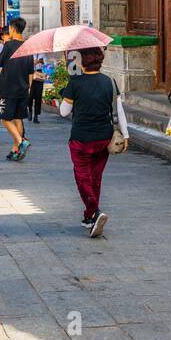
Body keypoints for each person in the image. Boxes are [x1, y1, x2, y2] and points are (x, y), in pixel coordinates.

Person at [58, 47, 128, 238]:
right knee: (95, 177)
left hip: (81, 139)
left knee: (82, 178)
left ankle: (95, 211)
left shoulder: (75, 83)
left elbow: (64, 112)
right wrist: (126, 135)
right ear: (100, 60)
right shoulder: (110, 83)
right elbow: (119, 110)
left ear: (81, 62)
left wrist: (64, 93)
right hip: (103, 138)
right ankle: (89, 217)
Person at [0, 18, 34, 161]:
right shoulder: (28, 47)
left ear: (12, 28)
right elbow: (31, 71)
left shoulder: (9, 45)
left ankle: (21, 141)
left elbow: (0, 64)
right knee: (18, 119)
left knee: (5, 118)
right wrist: (28, 88)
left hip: (8, 88)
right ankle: (16, 150)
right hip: (24, 88)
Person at [29, 58, 46, 122]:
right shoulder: (29, 54)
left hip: (39, 77)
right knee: (29, 97)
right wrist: (32, 63)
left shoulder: (42, 54)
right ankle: (30, 111)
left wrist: (40, 62)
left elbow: (46, 64)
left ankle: (36, 116)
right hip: (30, 76)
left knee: (38, 97)